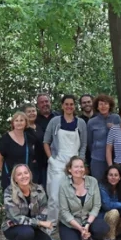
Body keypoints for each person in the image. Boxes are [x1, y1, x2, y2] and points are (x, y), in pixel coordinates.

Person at [44, 95, 87, 225]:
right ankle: (51, 230)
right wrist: (51, 159)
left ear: (75, 106)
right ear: (62, 106)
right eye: (66, 104)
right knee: (54, 198)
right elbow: (46, 142)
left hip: (75, 165)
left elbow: (84, 144)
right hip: (57, 163)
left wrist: (80, 162)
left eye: (71, 104)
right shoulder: (55, 121)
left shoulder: (81, 123)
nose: (69, 107)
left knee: (73, 198)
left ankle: (71, 228)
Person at [1, 164, 57, 240]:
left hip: (34, 228)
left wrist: (38, 223)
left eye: (26, 173)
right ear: (15, 179)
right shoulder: (9, 192)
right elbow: (16, 218)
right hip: (14, 227)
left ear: (30, 175)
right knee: (27, 232)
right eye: (19, 174)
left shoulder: (39, 189)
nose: (23, 176)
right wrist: (40, 222)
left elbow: (44, 211)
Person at [58, 156, 108, 240]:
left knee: (102, 227)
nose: (79, 170)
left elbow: (96, 205)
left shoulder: (93, 181)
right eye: (76, 167)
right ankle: (76, 239)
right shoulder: (63, 185)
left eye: (81, 167)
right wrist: (80, 228)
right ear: (69, 169)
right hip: (70, 223)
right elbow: (64, 211)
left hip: (87, 219)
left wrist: (87, 224)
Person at [0, 112, 37, 190]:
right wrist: (8, 173)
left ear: (26, 122)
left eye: (21, 120)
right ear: (13, 123)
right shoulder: (5, 139)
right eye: (16, 120)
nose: (19, 123)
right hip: (11, 179)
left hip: (27, 179)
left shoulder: (29, 137)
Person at [87, 94, 121, 181]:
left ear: (110, 105)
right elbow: (89, 142)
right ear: (97, 107)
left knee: (115, 183)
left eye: (106, 104)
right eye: (100, 104)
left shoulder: (116, 118)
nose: (103, 106)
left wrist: (114, 128)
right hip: (97, 159)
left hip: (115, 158)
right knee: (98, 183)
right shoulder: (91, 122)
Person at [99, 165, 121, 240]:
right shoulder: (102, 187)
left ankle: (105, 236)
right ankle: (110, 239)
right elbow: (107, 206)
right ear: (107, 176)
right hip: (102, 217)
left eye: (116, 175)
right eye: (111, 175)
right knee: (114, 212)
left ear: (119, 177)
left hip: (116, 218)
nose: (113, 177)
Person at [21, 104, 47, 187]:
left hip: (43, 164)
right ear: (24, 114)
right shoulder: (23, 130)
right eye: (29, 112)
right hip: (31, 165)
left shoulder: (38, 127)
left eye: (33, 111)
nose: (32, 113)